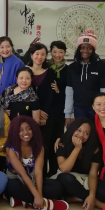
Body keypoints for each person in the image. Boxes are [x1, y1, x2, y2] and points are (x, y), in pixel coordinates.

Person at [4, 116, 68, 210]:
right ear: (14, 132)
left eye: (28, 129)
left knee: (57, 187)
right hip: (16, 179)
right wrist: (37, 196)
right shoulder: (10, 149)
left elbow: (38, 172)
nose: (25, 132)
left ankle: (23, 201)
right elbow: (23, 175)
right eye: (20, 130)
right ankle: (48, 204)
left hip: (32, 179)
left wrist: (39, 195)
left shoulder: (39, 148)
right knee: (11, 187)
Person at [54, 118, 105, 210]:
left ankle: (76, 198)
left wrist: (92, 195)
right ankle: (96, 203)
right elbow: (64, 169)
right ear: (73, 129)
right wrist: (77, 148)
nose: (81, 135)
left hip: (85, 180)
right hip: (68, 179)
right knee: (63, 179)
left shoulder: (94, 149)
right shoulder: (62, 143)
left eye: (86, 133)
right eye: (78, 130)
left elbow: (93, 174)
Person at [65, 29, 105, 122]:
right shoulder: (72, 67)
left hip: (97, 108)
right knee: (82, 130)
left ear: (93, 49)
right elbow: (69, 92)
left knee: (97, 131)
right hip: (79, 108)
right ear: (78, 49)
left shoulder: (102, 66)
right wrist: (68, 114)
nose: (85, 51)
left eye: (89, 48)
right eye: (82, 47)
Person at [27, 43, 57, 175]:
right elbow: (23, 93)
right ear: (31, 55)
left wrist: (44, 113)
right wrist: (36, 112)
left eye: (43, 54)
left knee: (44, 144)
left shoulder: (50, 72)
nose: (40, 57)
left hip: (47, 114)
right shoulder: (25, 71)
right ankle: (29, 173)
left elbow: (51, 95)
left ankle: (42, 175)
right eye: (37, 54)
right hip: (28, 114)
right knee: (29, 144)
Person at [47, 40, 68, 175]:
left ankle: (56, 168)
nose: (57, 55)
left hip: (60, 109)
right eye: (54, 52)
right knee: (47, 139)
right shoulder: (46, 67)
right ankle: (47, 168)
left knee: (57, 139)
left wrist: (59, 91)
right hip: (46, 109)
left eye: (61, 52)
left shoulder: (68, 70)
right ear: (51, 52)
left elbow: (71, 91)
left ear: (65, 53)